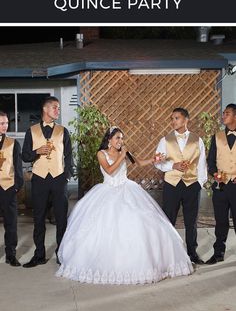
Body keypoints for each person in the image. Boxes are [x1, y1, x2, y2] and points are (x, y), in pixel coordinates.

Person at [57, 125, 193, 285]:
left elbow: (140, 163)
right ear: (109, 140)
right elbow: (109, 171)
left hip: (128, 189)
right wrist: (122, 156)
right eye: (117, 138)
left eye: (122, 138)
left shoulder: (124, 152)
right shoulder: (101, 154)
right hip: (107, 191)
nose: (121, 141)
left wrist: (155, 159)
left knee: (140, 223)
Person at [22, 96, 73, 267]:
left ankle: (62, 253)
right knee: (39, 218)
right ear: (45, 109)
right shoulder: (31, 131)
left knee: (61, 218)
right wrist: (36, 151)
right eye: (54, 107)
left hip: (59, 179)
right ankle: (39, 255)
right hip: (39, 179)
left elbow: (69, 155)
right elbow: (25, 156)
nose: (57, 110)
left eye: (58, 108)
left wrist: (66, 175)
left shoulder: (63, 131)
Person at [155, 107, 207, 265]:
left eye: (176, 118)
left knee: (191, 222)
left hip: (192, 185)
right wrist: (173, 166)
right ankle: (168, 254)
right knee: (168, 220)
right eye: (172, 118)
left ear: (186, 120)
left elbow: (202, 164)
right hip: (172, 185)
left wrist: (199, 183)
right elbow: (158, 163)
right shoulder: (165, 140)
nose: (173, 121)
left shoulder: (198, 140)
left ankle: (192, 254)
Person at [206, 104, 236, 264]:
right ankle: (218, 253)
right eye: (223, 113)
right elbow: (210, 162)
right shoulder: (216, 137)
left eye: (227, 113)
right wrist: (214, 174)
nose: (223, 116)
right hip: (221, 187)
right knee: (221, 222)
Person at [0, 110, 23, 266]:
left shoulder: (13, 143)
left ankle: (11, 255)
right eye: (2, 123)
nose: (5, 126)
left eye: (6, 123)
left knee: (11, 223)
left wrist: (16, 186)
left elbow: (18, 166)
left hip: (8, 187)